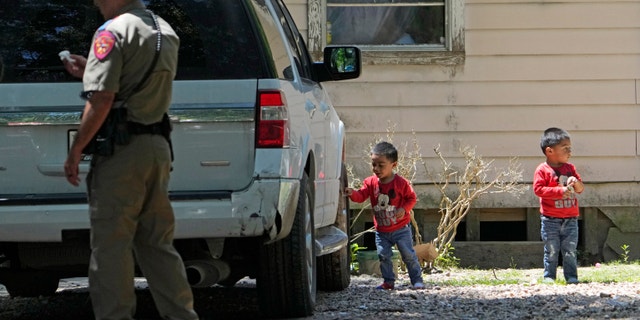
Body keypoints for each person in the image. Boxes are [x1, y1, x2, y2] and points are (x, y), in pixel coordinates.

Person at [62, 0, 198, 319]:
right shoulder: (164, 30)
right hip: (156, 148)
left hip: (122, 154)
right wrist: (91, 69)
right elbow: (134, 82)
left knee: (111, 248)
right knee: (157, 244)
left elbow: (103, 99)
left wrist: (75, 149)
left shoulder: (112, 31)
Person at [345, 141, 425, 290]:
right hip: (381, 231)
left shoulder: (401, 183)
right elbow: (361, 196)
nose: (376, 169)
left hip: (401, 229)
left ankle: (417, 280)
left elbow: (412, 198)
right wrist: (352, 193)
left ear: (393, 165)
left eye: (381, 165)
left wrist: (404, 209)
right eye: (373, 164)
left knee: (408, 255)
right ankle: (389, 282)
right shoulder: (370, 183)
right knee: (383, 256)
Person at [533, 127, 585, 285]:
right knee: (551, 250)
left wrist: (575, 182)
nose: (570, 152)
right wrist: (559, 191)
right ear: (549, 151)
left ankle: (571, 277)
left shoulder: (570, 169)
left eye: (570, 148)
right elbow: (538, 189)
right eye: (565, 148)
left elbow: (581, 189)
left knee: (569, 250)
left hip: (571, 219)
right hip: (550, 220)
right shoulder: (542, 170)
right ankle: (549, 276)